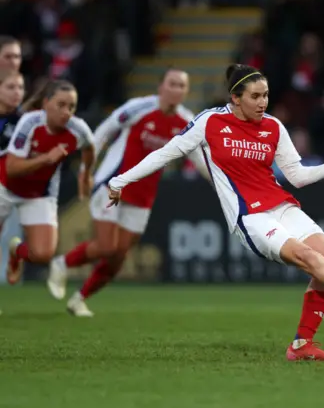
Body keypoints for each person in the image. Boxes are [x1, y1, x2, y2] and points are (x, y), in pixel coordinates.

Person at [106, 64, 324, 361]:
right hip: (250, 216)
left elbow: (296, 175)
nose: (263, 103)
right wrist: (119, 181)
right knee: (311, 261)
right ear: (235, 98)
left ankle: (301, 346)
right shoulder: (209, 122)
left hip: (282, 206)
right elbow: (164, 153)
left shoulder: (272, 126)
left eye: (266, 95)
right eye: (255, 96)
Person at [48, 68, 210, 317]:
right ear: (161, 87)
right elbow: (104, 130)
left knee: (118, 256)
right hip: (113, 185)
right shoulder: (139, 108)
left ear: (186, 92)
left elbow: (200, 160)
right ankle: (61, 264)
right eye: (172, 84)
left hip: (143, 198)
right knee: (106, 246)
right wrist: (86, 168)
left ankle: (79, 299)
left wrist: (222, 185)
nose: (176, 89)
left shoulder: (186, 122)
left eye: (182, 86)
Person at [2, 80, 95, 285]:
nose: (66, 112)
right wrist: (46, 158)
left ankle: (16, 252)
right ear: (45, 103)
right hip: (5, 187)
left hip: (39, 193)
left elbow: (89, 148)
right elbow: (11, 168)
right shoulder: (29, 123)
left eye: (71, 107)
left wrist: (85, 173)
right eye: (60, 105)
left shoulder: (78, 129)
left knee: (43, 254)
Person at [0, 67, 25, 316]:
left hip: (8, 185)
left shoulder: (24, 121)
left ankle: (16, 251)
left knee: (43, 251)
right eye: (10, 87)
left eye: (20, 87)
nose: (17, 93)